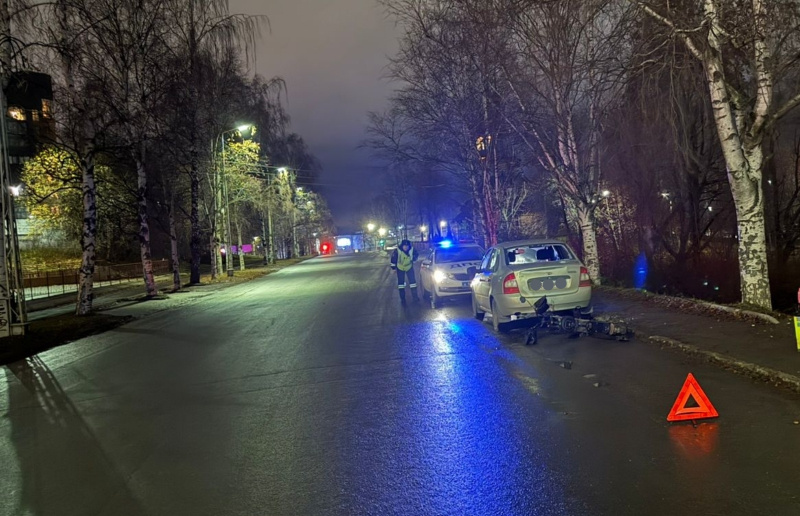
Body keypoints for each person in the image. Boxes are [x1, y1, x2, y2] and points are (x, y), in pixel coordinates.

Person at [390, 239, 419, 303]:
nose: (406, 247)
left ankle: (415, 297)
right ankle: (403, 299)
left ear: (409, 246)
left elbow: (416, 254)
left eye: (407, 246)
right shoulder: (397, 251)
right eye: (404, 246)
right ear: (402, 246)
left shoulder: (412, 250)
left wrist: (414, 258)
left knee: (413, 283)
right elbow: (393, 259)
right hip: (400, 267)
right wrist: (393, 268)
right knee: (401, 284)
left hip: (409, 267)